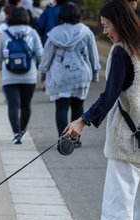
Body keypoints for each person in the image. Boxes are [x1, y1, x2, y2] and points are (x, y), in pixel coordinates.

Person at [63, 0, 140, 220]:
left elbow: (109, 96)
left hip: (127, 142)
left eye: (106, 26)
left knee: (117, 207)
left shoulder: (122, 53)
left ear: (119, 22)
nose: (105, 31)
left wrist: (81, 122)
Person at [39, 2, 100, 145]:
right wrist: (95, 73)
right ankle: (75, 138)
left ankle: (63, 139)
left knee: (61, 107)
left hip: (60, 76)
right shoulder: (86, 32)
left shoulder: (54, 34)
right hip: (81, 75)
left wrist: (42, 74)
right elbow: (93, 56)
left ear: (62, 16)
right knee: (78, 106)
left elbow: (46, 58)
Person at [0, 7, 43, 144]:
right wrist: (42, 71)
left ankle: (16, 133)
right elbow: (40, 54)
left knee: (13, 105)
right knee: (26, 105)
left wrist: (0, 67)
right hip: (29, 76)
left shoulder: (5, 33)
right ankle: (22, 130)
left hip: (9, 75)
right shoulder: (32, 33)